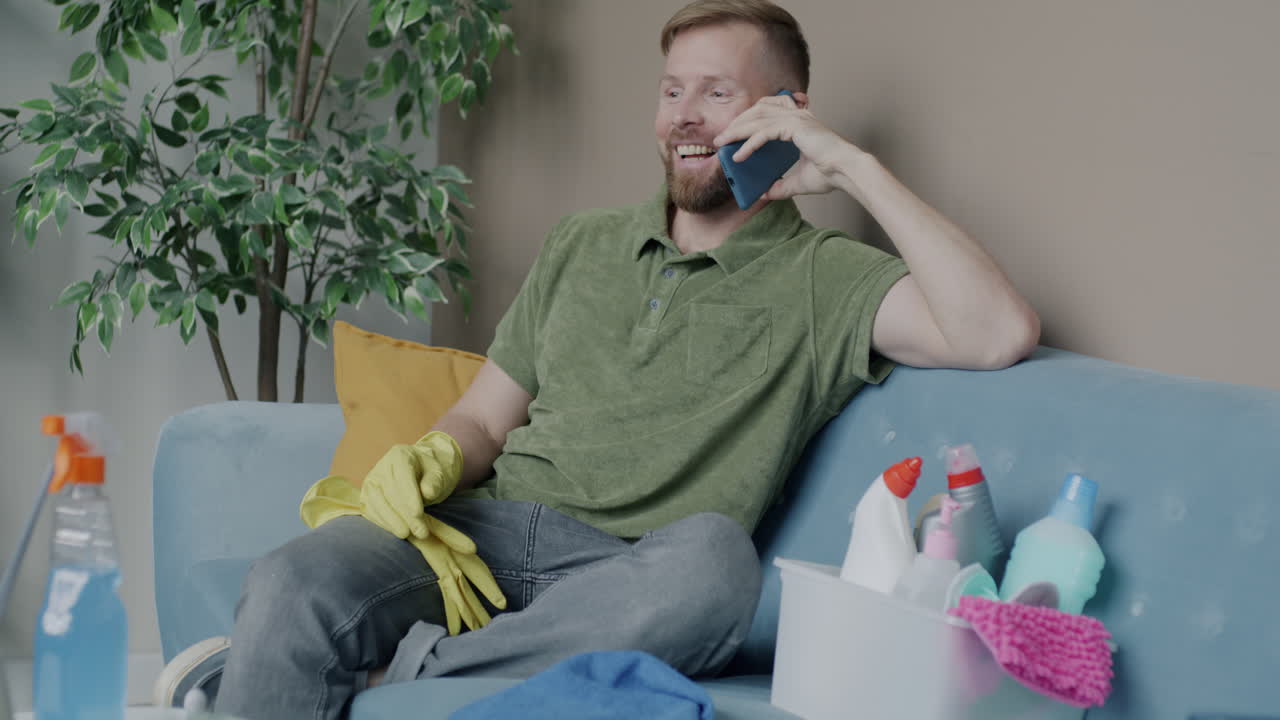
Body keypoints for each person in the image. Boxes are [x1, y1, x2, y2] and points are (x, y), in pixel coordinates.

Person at [155, 1, 1039, 717]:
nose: (684, 116)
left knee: (717, 562)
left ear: (786, 114)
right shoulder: (583, 242)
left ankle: (410, 671)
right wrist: (431, 459)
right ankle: (274, 669)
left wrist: (848, 167)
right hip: (477, 534)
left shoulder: (826, 278)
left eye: (717, 93)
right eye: (670, 91)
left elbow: (995, 331)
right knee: (292, 578)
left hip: (629, 571)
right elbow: (485, 417)